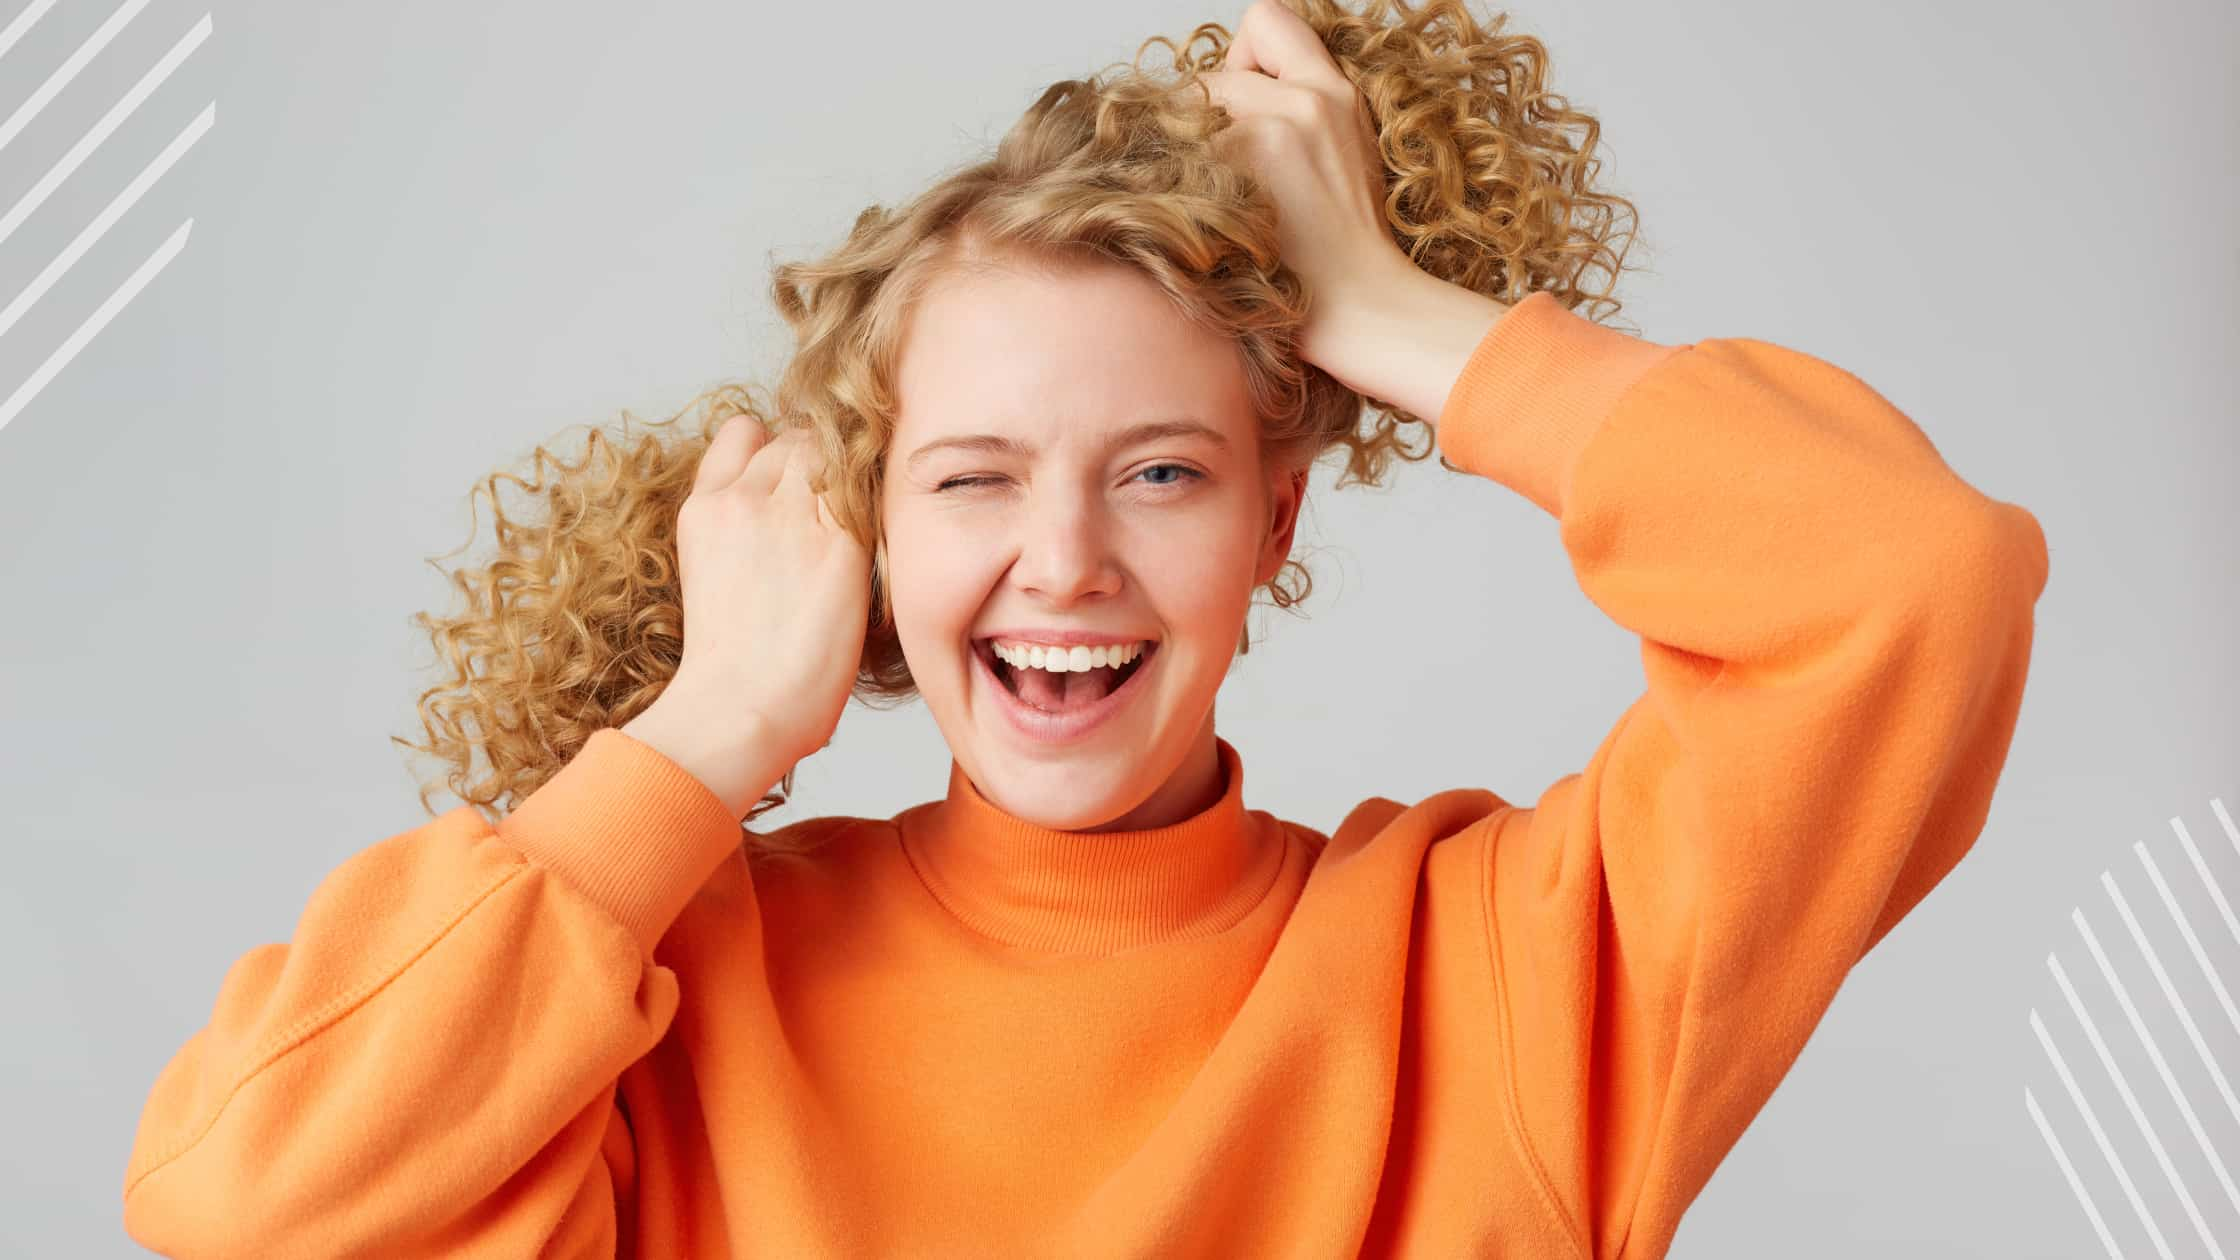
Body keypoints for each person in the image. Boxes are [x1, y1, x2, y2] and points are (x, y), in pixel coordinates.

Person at [121, 1, 2049, 1256]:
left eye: (1160, 475)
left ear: (1275, 516)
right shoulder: (659, 992)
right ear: (859, 536)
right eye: (969, 480)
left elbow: (1907, 581)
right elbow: (234, 1202)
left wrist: (1375, 311)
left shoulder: (1489, 986)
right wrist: (700, 740)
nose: (1064, 564)